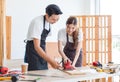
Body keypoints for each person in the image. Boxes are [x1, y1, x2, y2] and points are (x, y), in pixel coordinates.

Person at [24, 4, 63, 71]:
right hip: (33, 51)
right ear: (47, 15)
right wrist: (51, 61)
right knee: (35, 75)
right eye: (53, 19)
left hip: (41, 51)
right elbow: (37, 47)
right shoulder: (38, 22)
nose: (55, 22)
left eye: (57, 20)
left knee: (44, 73)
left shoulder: (48, 23)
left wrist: (50, 59)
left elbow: (43, 43)